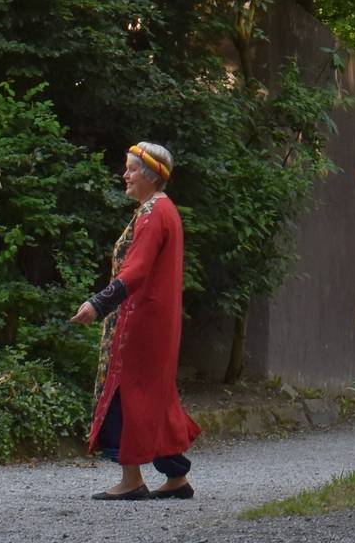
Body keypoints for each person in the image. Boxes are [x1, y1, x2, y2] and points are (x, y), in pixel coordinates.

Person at [71, 142, 201, 501]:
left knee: (125, 395)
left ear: (149, 175)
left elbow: (137, 270)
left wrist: (98, 304)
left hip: (141, 321)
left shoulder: (153, 213)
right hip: (154, 319)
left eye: (130, 169)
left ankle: (131, 479)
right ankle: (176, 478)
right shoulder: (161, 210)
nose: (125, 175)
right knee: (153, 397)